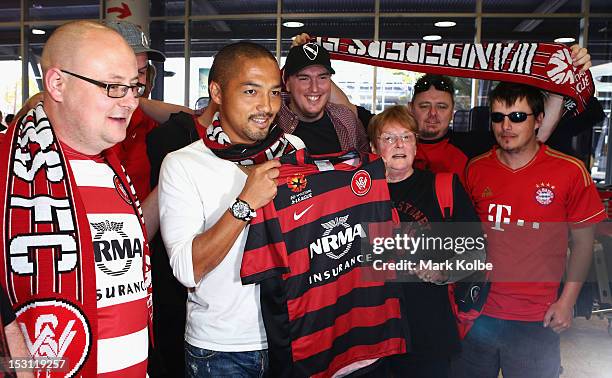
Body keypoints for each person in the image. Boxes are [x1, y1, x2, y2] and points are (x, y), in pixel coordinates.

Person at [0, 21, 151, 376]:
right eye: (113, 87)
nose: (130, 102)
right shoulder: (8, 168)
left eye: (134, 87)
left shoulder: (116, 167)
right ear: (57, 84)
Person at [158, 41, 304, 377]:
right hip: (223, 350)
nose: (266, 107)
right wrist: (245, 203)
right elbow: (186, 269)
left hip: (293, 336)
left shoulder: (293, 149)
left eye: (273, 93)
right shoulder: (183, 165)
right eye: (251, 91)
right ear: (218, 92)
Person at [452, 82, 606, 378]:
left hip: (538, 317)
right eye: (498, 117)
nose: (506, 126)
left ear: (538, 120)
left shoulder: (570, 171)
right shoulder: (476, 168)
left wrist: (567, 302)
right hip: (478, 313)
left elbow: (584, 244)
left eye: (517, 117)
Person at [368, 105, 485, 377]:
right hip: (372, 335)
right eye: (389, 138)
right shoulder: (359, 193)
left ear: (416, 145)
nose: (399, 144)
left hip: (428, 332)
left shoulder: (443, 187)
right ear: (374, 148)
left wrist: (444, 271)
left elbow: (477, 253)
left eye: (407, 137)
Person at [279, 41, 369, 154]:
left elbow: (366, 163)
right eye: (304, 78)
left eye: (322, 77)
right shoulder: (272, 119)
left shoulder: (346, 119)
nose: (314, 88)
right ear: (286, 83)